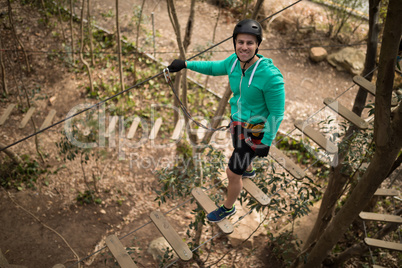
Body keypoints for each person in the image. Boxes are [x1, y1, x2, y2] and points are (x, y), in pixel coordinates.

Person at [168, 19, 285, 222]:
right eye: (240, 42)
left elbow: (277, 112)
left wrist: (266, 141)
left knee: (232, 173)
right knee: (239, 153)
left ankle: (228, 208)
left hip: (256, 133)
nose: (244, 47)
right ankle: (248, 169)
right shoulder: (233, 62)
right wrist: (186, 64)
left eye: (250, 43)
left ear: (258, 45)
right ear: (234, 43)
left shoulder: (270, 76)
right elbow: (213, 68)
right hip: (238, 122)